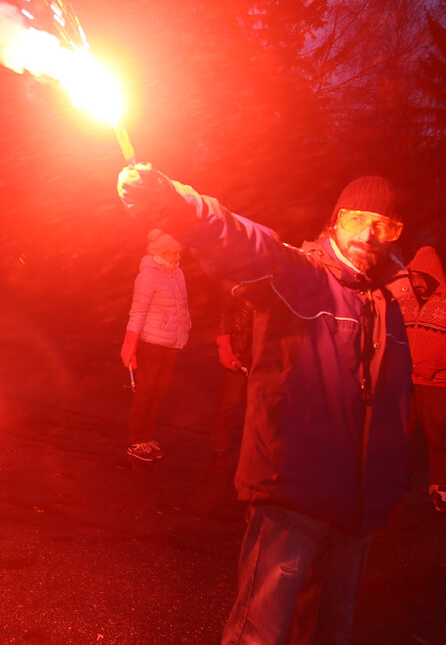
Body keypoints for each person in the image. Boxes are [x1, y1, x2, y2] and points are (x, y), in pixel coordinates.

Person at [117, 168, 413, 645]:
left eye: (386, 226)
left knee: (332, 634)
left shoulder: (388, 302)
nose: (370, 235)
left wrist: (391, 479)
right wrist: (179, 205)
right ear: (337, 220)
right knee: (262, 635)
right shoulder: (302, 277)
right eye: (360, 219)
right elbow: (242, 242)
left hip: (359, 510)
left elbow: (395, 403)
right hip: (295, 496)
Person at [398, 245, 446, 514]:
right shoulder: (404, 302)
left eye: (420, 278)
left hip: (438, 384)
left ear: (433, 276)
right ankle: (397, 482)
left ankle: (441, 487)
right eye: (412, 278)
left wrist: (432, 365)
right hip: (405, 382)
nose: (416, 284)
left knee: (437, 437)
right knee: (402, 434)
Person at [120, 228, 192, 462]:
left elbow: (182, 306)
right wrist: (129, 344)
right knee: (146, 391)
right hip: (151, 342)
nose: (175, 256)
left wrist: (184, 329)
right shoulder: (148, 275)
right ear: (160, 252)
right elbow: (138, 311)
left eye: (177, 252)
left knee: (159, 392)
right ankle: (136, 441)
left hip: (171, 342)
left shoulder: (178, 273)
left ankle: (146, 436)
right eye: (170, 252)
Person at [210, 284, 253, 472]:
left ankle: (251, 449)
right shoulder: (237, 282)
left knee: (253, 407)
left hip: (259, 353)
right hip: (238, 350)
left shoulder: (272, 282)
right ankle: (219, 447)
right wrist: (225, 346)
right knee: (228, 403)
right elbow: (223, 313)